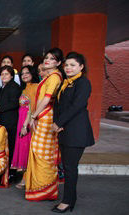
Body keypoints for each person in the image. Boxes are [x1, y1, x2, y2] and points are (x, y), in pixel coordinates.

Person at [51, 52, 95, 213]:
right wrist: (57, 123)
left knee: (70, 167)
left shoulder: (83, 83)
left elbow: (77, 106)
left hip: (76, 132)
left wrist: (59, 122)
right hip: (64, 130)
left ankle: (68, 201)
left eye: (72, 65)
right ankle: (70, 198)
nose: (68, 68)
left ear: (81, 67)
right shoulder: (66, 82)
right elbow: (58, 105)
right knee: (68, 166)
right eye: (67, 65)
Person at [24, 48, 64, 201]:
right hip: (42, 116)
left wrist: (34, 116)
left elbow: (46, 100)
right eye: (46, 57)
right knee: (38, 152)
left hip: (45, 117)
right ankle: (39, 187)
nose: (47, 60)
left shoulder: (54, 77)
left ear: (59, 63)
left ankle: (45, 189)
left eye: (52, 59)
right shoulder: (49, 76)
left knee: (43, 155)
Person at [0, 65, 21, 181]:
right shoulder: (5, 86)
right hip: (4, 120)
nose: (4, 76)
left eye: (6, 74)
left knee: (11, 146)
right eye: (2, 74)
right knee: (5, 146)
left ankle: (11, 173)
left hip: (11, 121)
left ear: (12, 75)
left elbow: (14, 103)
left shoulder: (14, 87)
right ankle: (6, 171)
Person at [12, 65, 40, 189]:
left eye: (27, 73)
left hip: (27, 122)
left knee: (28, 150)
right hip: (21, 120)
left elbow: (32, 108)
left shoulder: (35, 87)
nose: (24, 75)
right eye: (22, 73)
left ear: (32, 74)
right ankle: (26, 177)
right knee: (23, 148)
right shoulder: (24, 89)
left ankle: (27, 179)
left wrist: (25, 125)